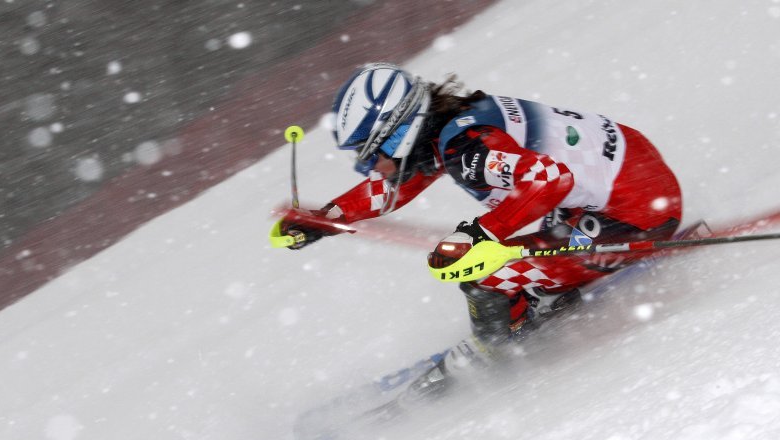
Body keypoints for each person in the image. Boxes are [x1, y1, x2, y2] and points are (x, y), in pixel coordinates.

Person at [278, 62, 682, 373]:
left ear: (401, 132)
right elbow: (398, 184)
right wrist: (326, 218)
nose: (371, 167)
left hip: (636, 217)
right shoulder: (450, 129)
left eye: (372, 153)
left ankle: (502, 350)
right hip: (626, 185)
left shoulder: (468, 148)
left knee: (479, 273)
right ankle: (539, 297)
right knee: (488, 255)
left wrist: (481, 234)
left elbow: (549, 178)